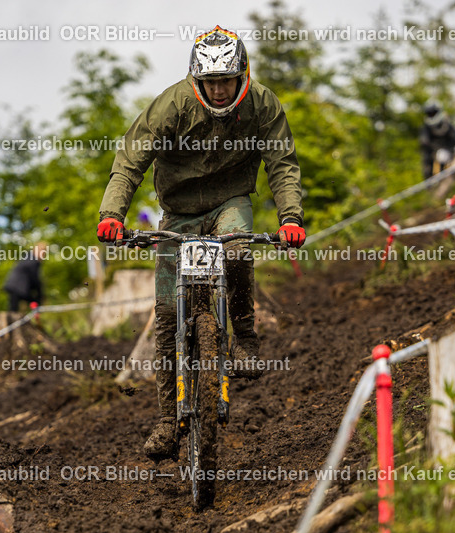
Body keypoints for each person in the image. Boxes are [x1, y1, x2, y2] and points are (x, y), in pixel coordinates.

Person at [96, 25, 305, 460]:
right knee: (169, 315)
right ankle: (166, 421)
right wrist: (112, 214)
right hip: (178, 213)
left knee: (238, 251)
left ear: (241, 74)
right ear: (197, 80)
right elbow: (131, 159)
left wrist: (290, 219)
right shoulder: (172, 105)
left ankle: (245, 339)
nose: (220, 90)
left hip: (230, 200)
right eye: (211, 82)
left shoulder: (263, 104)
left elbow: (282, 163)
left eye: (227, 80)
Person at [420, 101, 455, 179]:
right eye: (430, 113)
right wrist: (436, 150)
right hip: (433, 153)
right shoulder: (426, 127)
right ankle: (431, 183)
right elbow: (424, 141)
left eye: (433, 113)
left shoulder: (446, 124)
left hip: (449, 151)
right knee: (429, 163)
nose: (432, 115)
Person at [3, 242, 47, 313]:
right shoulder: (33, 260)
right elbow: (35, 278)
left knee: (14, 308)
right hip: (17, 286)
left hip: (15, 285)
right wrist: (40, 294)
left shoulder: (28, 257)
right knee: (14, 309)